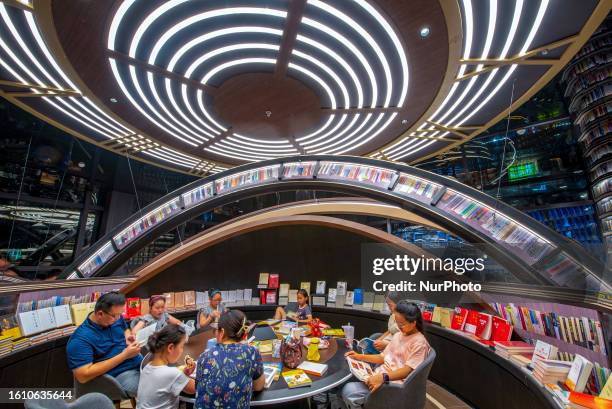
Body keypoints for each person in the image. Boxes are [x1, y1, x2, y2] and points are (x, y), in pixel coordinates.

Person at [341, 301, 430, 408]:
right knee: (345, 378)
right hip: (381, 376)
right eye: (396, 322)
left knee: (349, 390)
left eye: (401, 324)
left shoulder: (419, 343)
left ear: (413, 323)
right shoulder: (399, 335)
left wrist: (383, 378)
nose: (398, 326)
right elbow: (383, 357)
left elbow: (407, 371)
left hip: (392, 385)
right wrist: (359, 356)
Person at [66, 291, 142, 397]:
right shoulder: (80, 339)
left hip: (138, 363)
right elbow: (83, 375)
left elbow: (125, 330)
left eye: (120, 314)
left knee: (169, 376)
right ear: (100, 314)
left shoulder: (115, 318)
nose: (118, 319)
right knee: (156, 388)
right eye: (115, 316)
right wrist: (124, 356)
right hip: (119, 375)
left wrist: (128, 337)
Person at [195, 310, 265, 409]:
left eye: (217, 330)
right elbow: (259, 386)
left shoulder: (204, 356)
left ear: (222, 332)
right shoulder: (252, 352)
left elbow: (198, 387)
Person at [136, 324, 196, 409]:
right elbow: (194, 388)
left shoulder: (147, 367)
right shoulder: (172, 373)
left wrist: (185, 374)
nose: (182, 351)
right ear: (170, 347)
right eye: (182, 347)